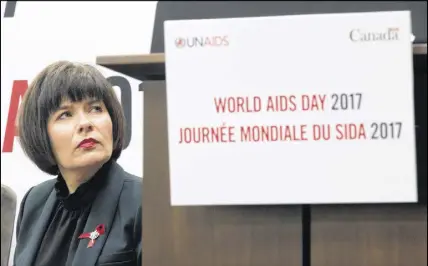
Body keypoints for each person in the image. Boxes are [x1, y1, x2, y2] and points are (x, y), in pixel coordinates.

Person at [13, 61, 142, 266]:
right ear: (40, 134)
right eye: (65, 114)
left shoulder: (144, 201)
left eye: (95, 108)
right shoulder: (34, 202)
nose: (85, 123)